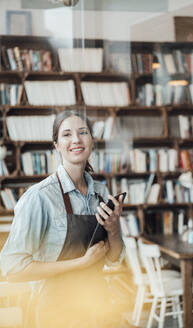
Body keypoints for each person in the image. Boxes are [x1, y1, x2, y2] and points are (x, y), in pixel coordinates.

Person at [0, 109, 125, 328]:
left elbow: (114, 258)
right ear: (57, 145)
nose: (76, 139)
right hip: (55, 313)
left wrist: (113, 228)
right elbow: (13, 268)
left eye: (83, 132)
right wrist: (80, 263)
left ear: (92, 141)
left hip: (97, 309)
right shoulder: (40, 196)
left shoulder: (101, 192)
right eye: (66, 134)